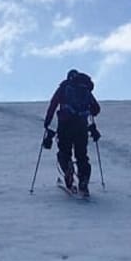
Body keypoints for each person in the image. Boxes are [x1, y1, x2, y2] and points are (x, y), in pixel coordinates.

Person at [42, 69, 102, 197]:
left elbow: (53, 105)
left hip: (65, 125)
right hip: (81, 126)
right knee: (82, 155)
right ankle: (83, 181)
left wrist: (47, 123)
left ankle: (68, 170)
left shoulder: (64, 88)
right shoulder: (85, 90)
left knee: (64, 151)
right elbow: (96, 109)